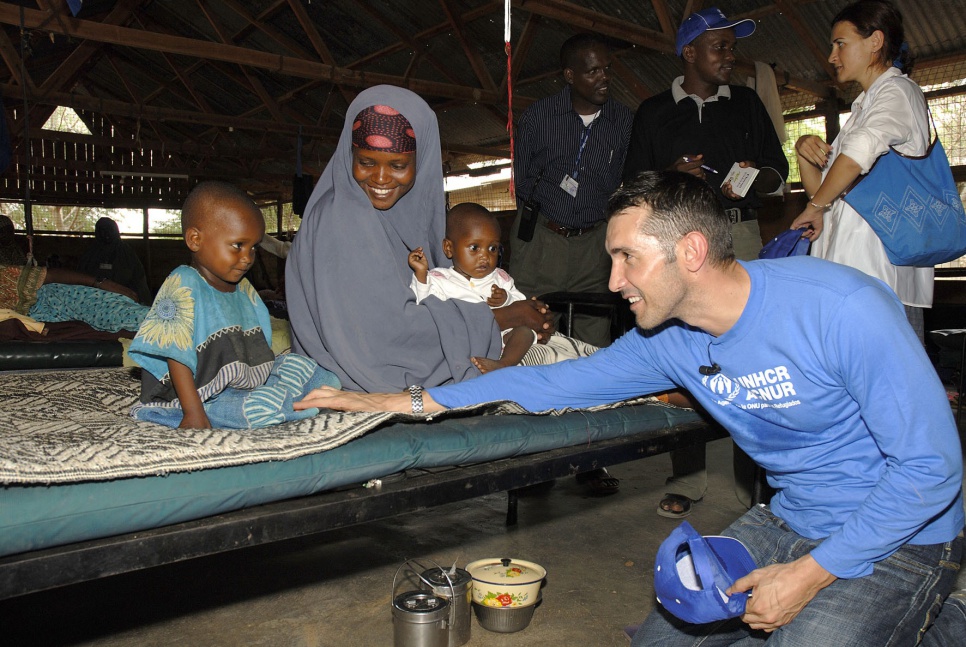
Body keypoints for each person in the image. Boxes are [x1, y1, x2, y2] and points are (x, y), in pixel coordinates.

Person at [295, 170, 965, 646]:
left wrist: (810, 574)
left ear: (692, 251)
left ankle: (936, 619)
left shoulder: (843, 309)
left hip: (905, 536)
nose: (614, 282)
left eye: (626, 257)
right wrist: (405, 400)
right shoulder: (667, 343)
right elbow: (545, 385)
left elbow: (932, 469)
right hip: (790, 516)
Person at [622, 6, 790, 519]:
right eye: (719, 47)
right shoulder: (653, 111)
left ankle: (753, 485)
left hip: (737, 233)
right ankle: (687, 477)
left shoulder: (745, 104)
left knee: (750, 351)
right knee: (687, 350)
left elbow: (779, 176)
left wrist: (752, 175)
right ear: (689, 52)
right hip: (678, 241)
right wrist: (671, 177)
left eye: (732, 47)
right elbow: (632, 188)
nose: (729, 57)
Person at [285, 85, 554, 395]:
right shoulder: (340, 218)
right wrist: (508, 316)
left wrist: (526, 319)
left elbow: (444, 295)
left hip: (417, 355)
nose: (381, 179)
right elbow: (384, 341)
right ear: (349, 156)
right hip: (363, 376)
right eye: (366, 162)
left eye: (398, 165)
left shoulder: (410, 217)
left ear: (422, 161)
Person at [128, 181, 339, 430]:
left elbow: (258, 349)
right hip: (197, 394)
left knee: (316, 371)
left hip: (242, 383)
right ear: (195, 239)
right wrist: (193, 413)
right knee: (252, 410)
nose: (247, 258)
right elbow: (176, 356)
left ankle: (285, 400)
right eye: (238, 246)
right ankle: (287, 405)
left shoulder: (243, 287)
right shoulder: (183, 284)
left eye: (253, 248)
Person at [791, 0, 932, 343]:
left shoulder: (898, 92)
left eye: (840, 43)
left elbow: (857, 155)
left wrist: (816, 207)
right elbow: (821, 191)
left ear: (875, 41)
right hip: (849, 271)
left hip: (879, 273)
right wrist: (804, 154)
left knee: (890, 383)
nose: (831, 56)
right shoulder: (862, 109)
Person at [510, 32, 633, 349]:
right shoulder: (540, 117)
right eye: (593, 71)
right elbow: (522, 179)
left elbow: (623, 177)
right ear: (569, 75)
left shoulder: (622, 121)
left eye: (607, 69)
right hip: (541, 243)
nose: (604, 78)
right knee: (533, 335)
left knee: (594, 342)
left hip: (594, 247)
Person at [408, 202, 534, 374]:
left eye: (493, 248)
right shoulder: (440, 279)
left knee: (524, 332)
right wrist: (421, 275)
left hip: (503, 341)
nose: (485, 256)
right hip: (464, 343)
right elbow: (422, 303)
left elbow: (521, 308)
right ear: (449, 248)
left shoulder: (500, 278)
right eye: (474, 248)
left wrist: (507, 299)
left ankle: (504, 364)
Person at [1, 259, 145, 332]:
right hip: (38, 318)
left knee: (127, 316)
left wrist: (100, 283)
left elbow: (47, 275)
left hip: (54, 298)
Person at [77, 217, 152, 304]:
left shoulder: (126, 253)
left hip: (124, 302)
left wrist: (144, 303)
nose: (106, 234)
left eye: (110, 230)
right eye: (102, 230)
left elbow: (139, 282)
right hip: (95, 301)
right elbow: (81, 279)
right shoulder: (90, 254)